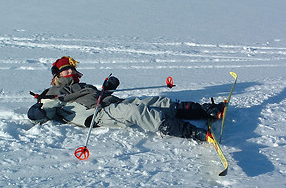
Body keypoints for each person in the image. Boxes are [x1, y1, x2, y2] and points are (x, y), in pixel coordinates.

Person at [28, 56, 225, 142]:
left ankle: (204, 110)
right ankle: (193, 132)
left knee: (153, 101)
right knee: (135, 112)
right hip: (94, 116)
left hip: (110, 105)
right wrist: (37, 112)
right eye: (65, 71)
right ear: (57, 75)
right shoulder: (51, 92)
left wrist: (108, 88)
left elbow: (99, 96)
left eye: (71, 69)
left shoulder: (83, 86)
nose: (70, 72)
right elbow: (45, 110)